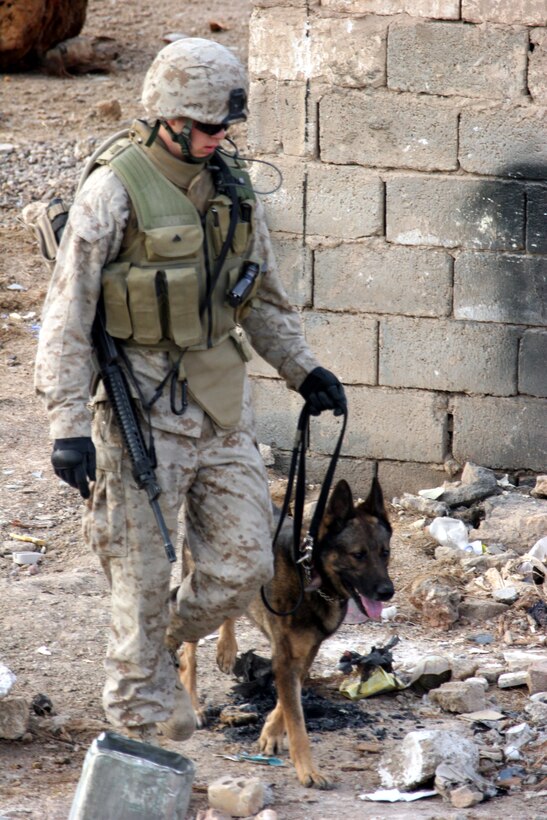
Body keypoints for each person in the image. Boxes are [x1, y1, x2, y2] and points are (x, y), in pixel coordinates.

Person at [34, 37, 347, 744]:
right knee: (140, 574)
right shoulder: (113, 190)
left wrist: (303, 369)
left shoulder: (232, 185)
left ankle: (145, 644)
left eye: (226, 126)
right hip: (138, 408)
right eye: (207, 126)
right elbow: (67, 311)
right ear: (167, 117)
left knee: (242, 567)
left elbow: (261, 294)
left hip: (219, 403)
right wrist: (66, 424)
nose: (219, 137)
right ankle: (136, 733)